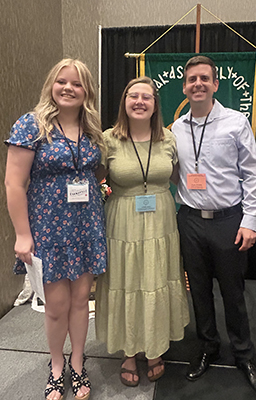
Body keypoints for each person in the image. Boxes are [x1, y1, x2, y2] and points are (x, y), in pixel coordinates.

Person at [5, 58, 107, 400]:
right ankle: (56, 366)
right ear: (52, 84)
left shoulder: (92, 128)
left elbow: (96, 173)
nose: (68, 88)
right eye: (62, 81)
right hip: (48, 229)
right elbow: (14, 183)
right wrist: (22, 234)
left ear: (86, 91)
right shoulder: (31, 126)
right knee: (55, 305)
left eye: (77, 84)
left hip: (85, 226)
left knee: (81, 301)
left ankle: (78, 364)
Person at [172, 55, 256, 399]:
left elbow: (251, 175)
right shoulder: (176, 130)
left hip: (229, 221)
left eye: (204, 78)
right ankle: (208, 346)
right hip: (190, 222)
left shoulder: (236, 122)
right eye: (191, 79)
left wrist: (250, 220)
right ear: (184, 87)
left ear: (215, 84)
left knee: (233, 292)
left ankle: (244, 355)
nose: (197, 84)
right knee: (197, 291)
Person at [95, 76, 189, 386]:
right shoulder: (108, 139)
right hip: (122, 220)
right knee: (126, 280)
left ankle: (155, 347)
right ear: (124, 102)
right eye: (132, 95)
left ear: (155, 105)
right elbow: (95, 179)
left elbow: (179, 177)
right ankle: (129, 351)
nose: (139, 101)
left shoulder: (169, 139)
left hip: (161, 219)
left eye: (146, 97)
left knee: (156, 279)